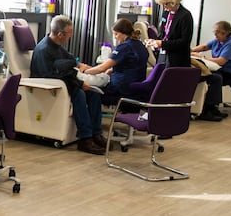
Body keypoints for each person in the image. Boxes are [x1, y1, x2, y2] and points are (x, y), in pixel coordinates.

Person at [30, 15, 106, 155]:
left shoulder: (57, 46)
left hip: (64, 81)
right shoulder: (43, 50)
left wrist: (78, 65)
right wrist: (79, 83)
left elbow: (69, 61)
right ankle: (85, 138)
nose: (70, 36)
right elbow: (50, 76)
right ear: (60, 34)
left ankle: (96, 133)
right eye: (69, 33)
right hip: (50, 85)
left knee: (94, 92)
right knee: (80, 93)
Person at [191, 20, 231, 121]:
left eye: (217, 32)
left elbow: (221, 61)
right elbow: (204, 46)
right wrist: (190, 50)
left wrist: (202, 57)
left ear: (225, 32)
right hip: (223, 69)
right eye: (215, 32)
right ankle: (213, 108)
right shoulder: (219, 40)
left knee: (213, 77)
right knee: (213, 75)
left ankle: (209, 108)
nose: (215, 34)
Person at [78, 18, 149, 98]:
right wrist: (112, 70)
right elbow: (133, 65)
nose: (115, 37)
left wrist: (84, 71)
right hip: (134, 88)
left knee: (89, 93)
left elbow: (101, 68)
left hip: (121, 89)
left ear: (123, 33)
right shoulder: (140, 45)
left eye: (116, 34)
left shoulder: (124, 47)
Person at [145, 0, 193, 67]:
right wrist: (154, 41)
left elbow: (184, 42)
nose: (164, 7)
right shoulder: (166, 13)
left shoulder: (185, 16)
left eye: (165, 4)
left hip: (177, 59)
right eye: (162, 4)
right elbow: (163, 34)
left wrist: (163, 44)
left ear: (173, 1)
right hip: (163, 55)